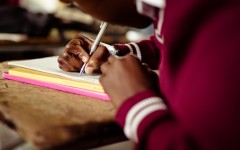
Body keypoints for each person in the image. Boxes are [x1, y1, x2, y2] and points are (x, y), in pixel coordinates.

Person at [58, 0, 240, 149]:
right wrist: (116, 54)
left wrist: (136, 104)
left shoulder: (227, 26)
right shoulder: (171, 9)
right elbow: (168, 44)